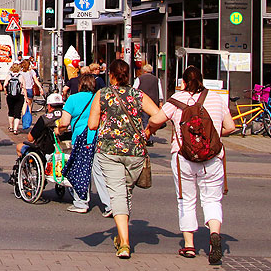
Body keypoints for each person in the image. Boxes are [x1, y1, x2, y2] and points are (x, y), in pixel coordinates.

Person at [146, 65, 235, 263]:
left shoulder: (176, 101)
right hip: (213, 157)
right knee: (212, 199)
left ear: (183, 83)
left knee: (186, 199)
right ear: (202, 81)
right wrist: (214, 135)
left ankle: (188, 245)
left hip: (183, 157)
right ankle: (214, 235)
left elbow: (156, 119)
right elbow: (231, 127)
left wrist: (150, 129)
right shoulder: (216, 99)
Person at [87, 59, 161, 259]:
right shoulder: (138, 95)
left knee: (117, 194)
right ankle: (122, 236)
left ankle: (125, 242)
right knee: (125, 192)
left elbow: (92, 125)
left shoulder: (103, 95)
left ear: (110, 75)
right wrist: (147, 131)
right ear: (128, 75)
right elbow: (159, 116)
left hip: (110, 151)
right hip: (135, 152)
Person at [55, 72, 111, 216]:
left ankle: (81, 202)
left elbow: (65, 122)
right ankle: (109, 205)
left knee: (81, 170)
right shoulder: (98, 99)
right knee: (99, 172)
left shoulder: (73, 99)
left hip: (81, 140)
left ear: (80, 85)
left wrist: (59, 130)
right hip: (98, 138)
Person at [133, 63, 163, 146]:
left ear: (144, 71)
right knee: (152, 120)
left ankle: (148, 138)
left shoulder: (139, 79)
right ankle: (150, 136)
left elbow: (134, 89)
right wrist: (160, 101)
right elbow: (160, 91)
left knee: (144, 120)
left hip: (144, 102)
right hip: (154, 102)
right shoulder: (157, 79)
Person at [4, 63, 25, 134]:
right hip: (19, 96)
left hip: (10, 96)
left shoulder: (9, 76)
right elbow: (24, 87)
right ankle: (16, 129)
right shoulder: (21, 76)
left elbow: (4, 85)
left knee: (11, 111)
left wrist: (6, 92)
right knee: (18, 112)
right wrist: (26, 96)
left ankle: (11, 127)